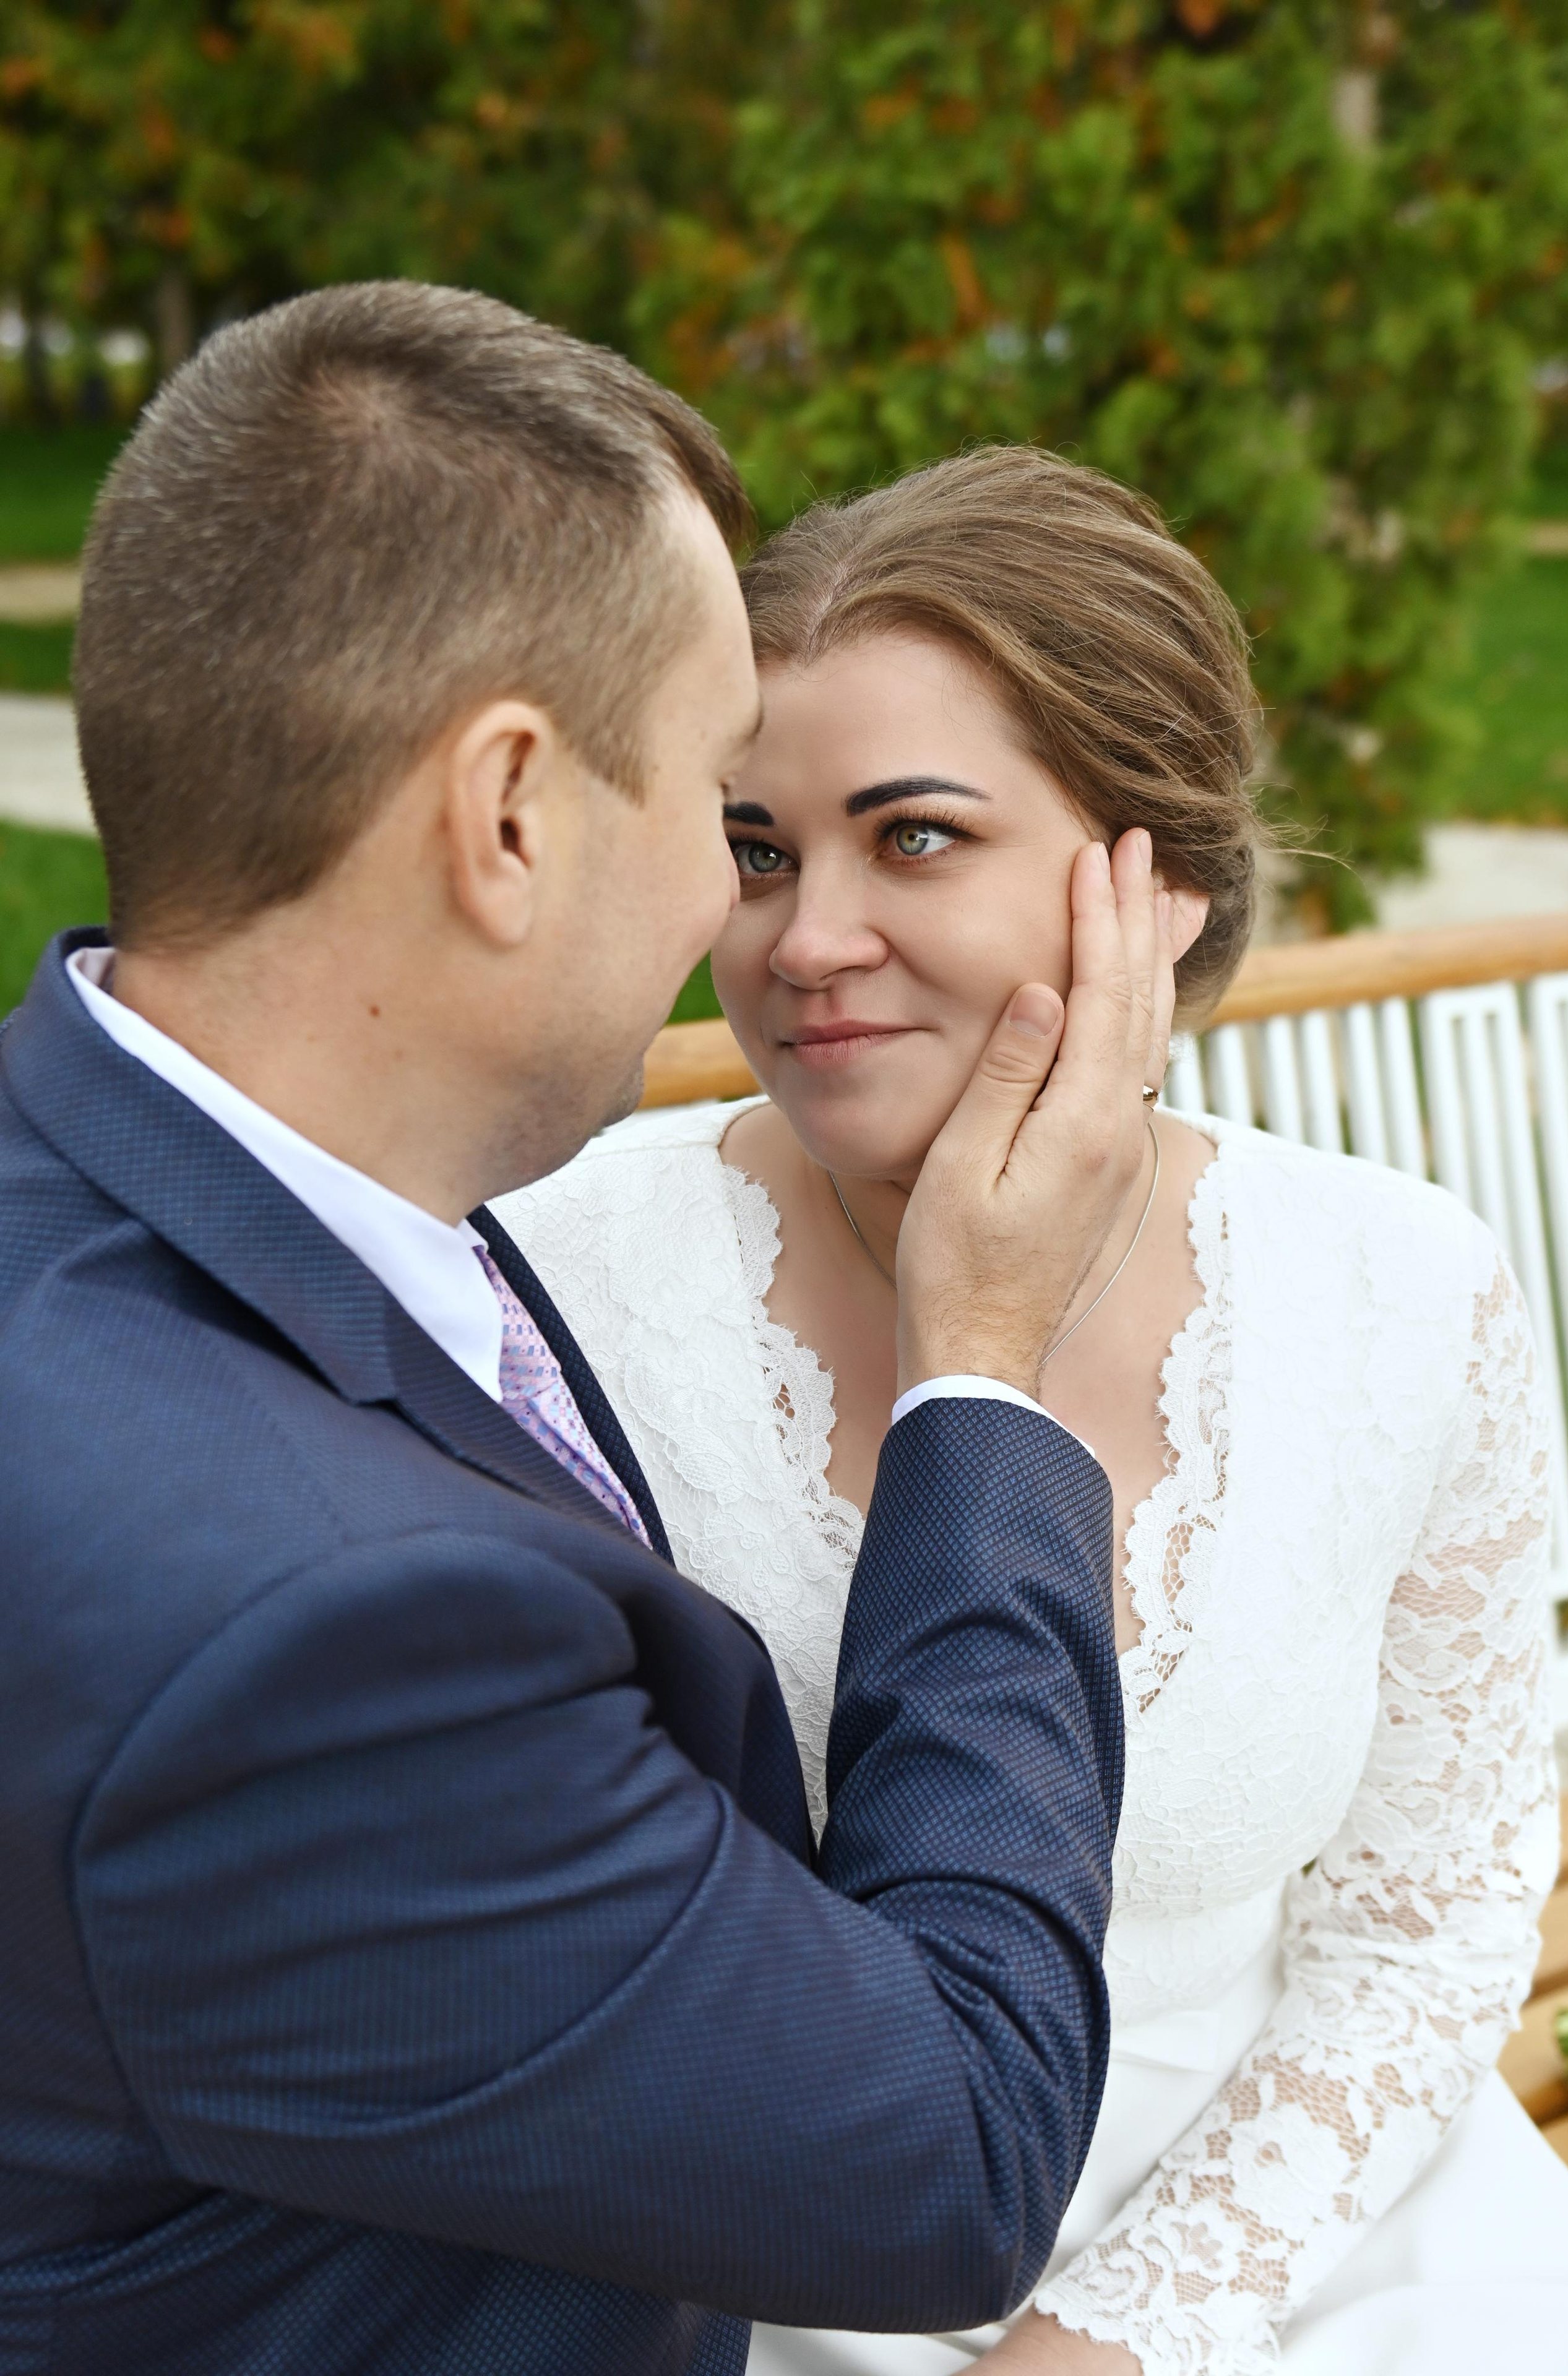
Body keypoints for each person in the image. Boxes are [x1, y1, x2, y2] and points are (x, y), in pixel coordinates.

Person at [0, 291, 1167, 2375]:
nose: (766, 933)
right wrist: (984, 1366)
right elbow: (956, 2160)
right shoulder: (308, 1637)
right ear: (513, 816)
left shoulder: (154, 1183)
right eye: (727, 802)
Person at [498, 446, 1568, 2376]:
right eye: (757, 848)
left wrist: (1116, 2335)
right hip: (755, 2281)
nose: (806, 939)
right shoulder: (547, 1295)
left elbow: (1423, 1935)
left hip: (1308, 2236)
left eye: (911, 836)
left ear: (1150, 880)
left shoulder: (1405, 1293)